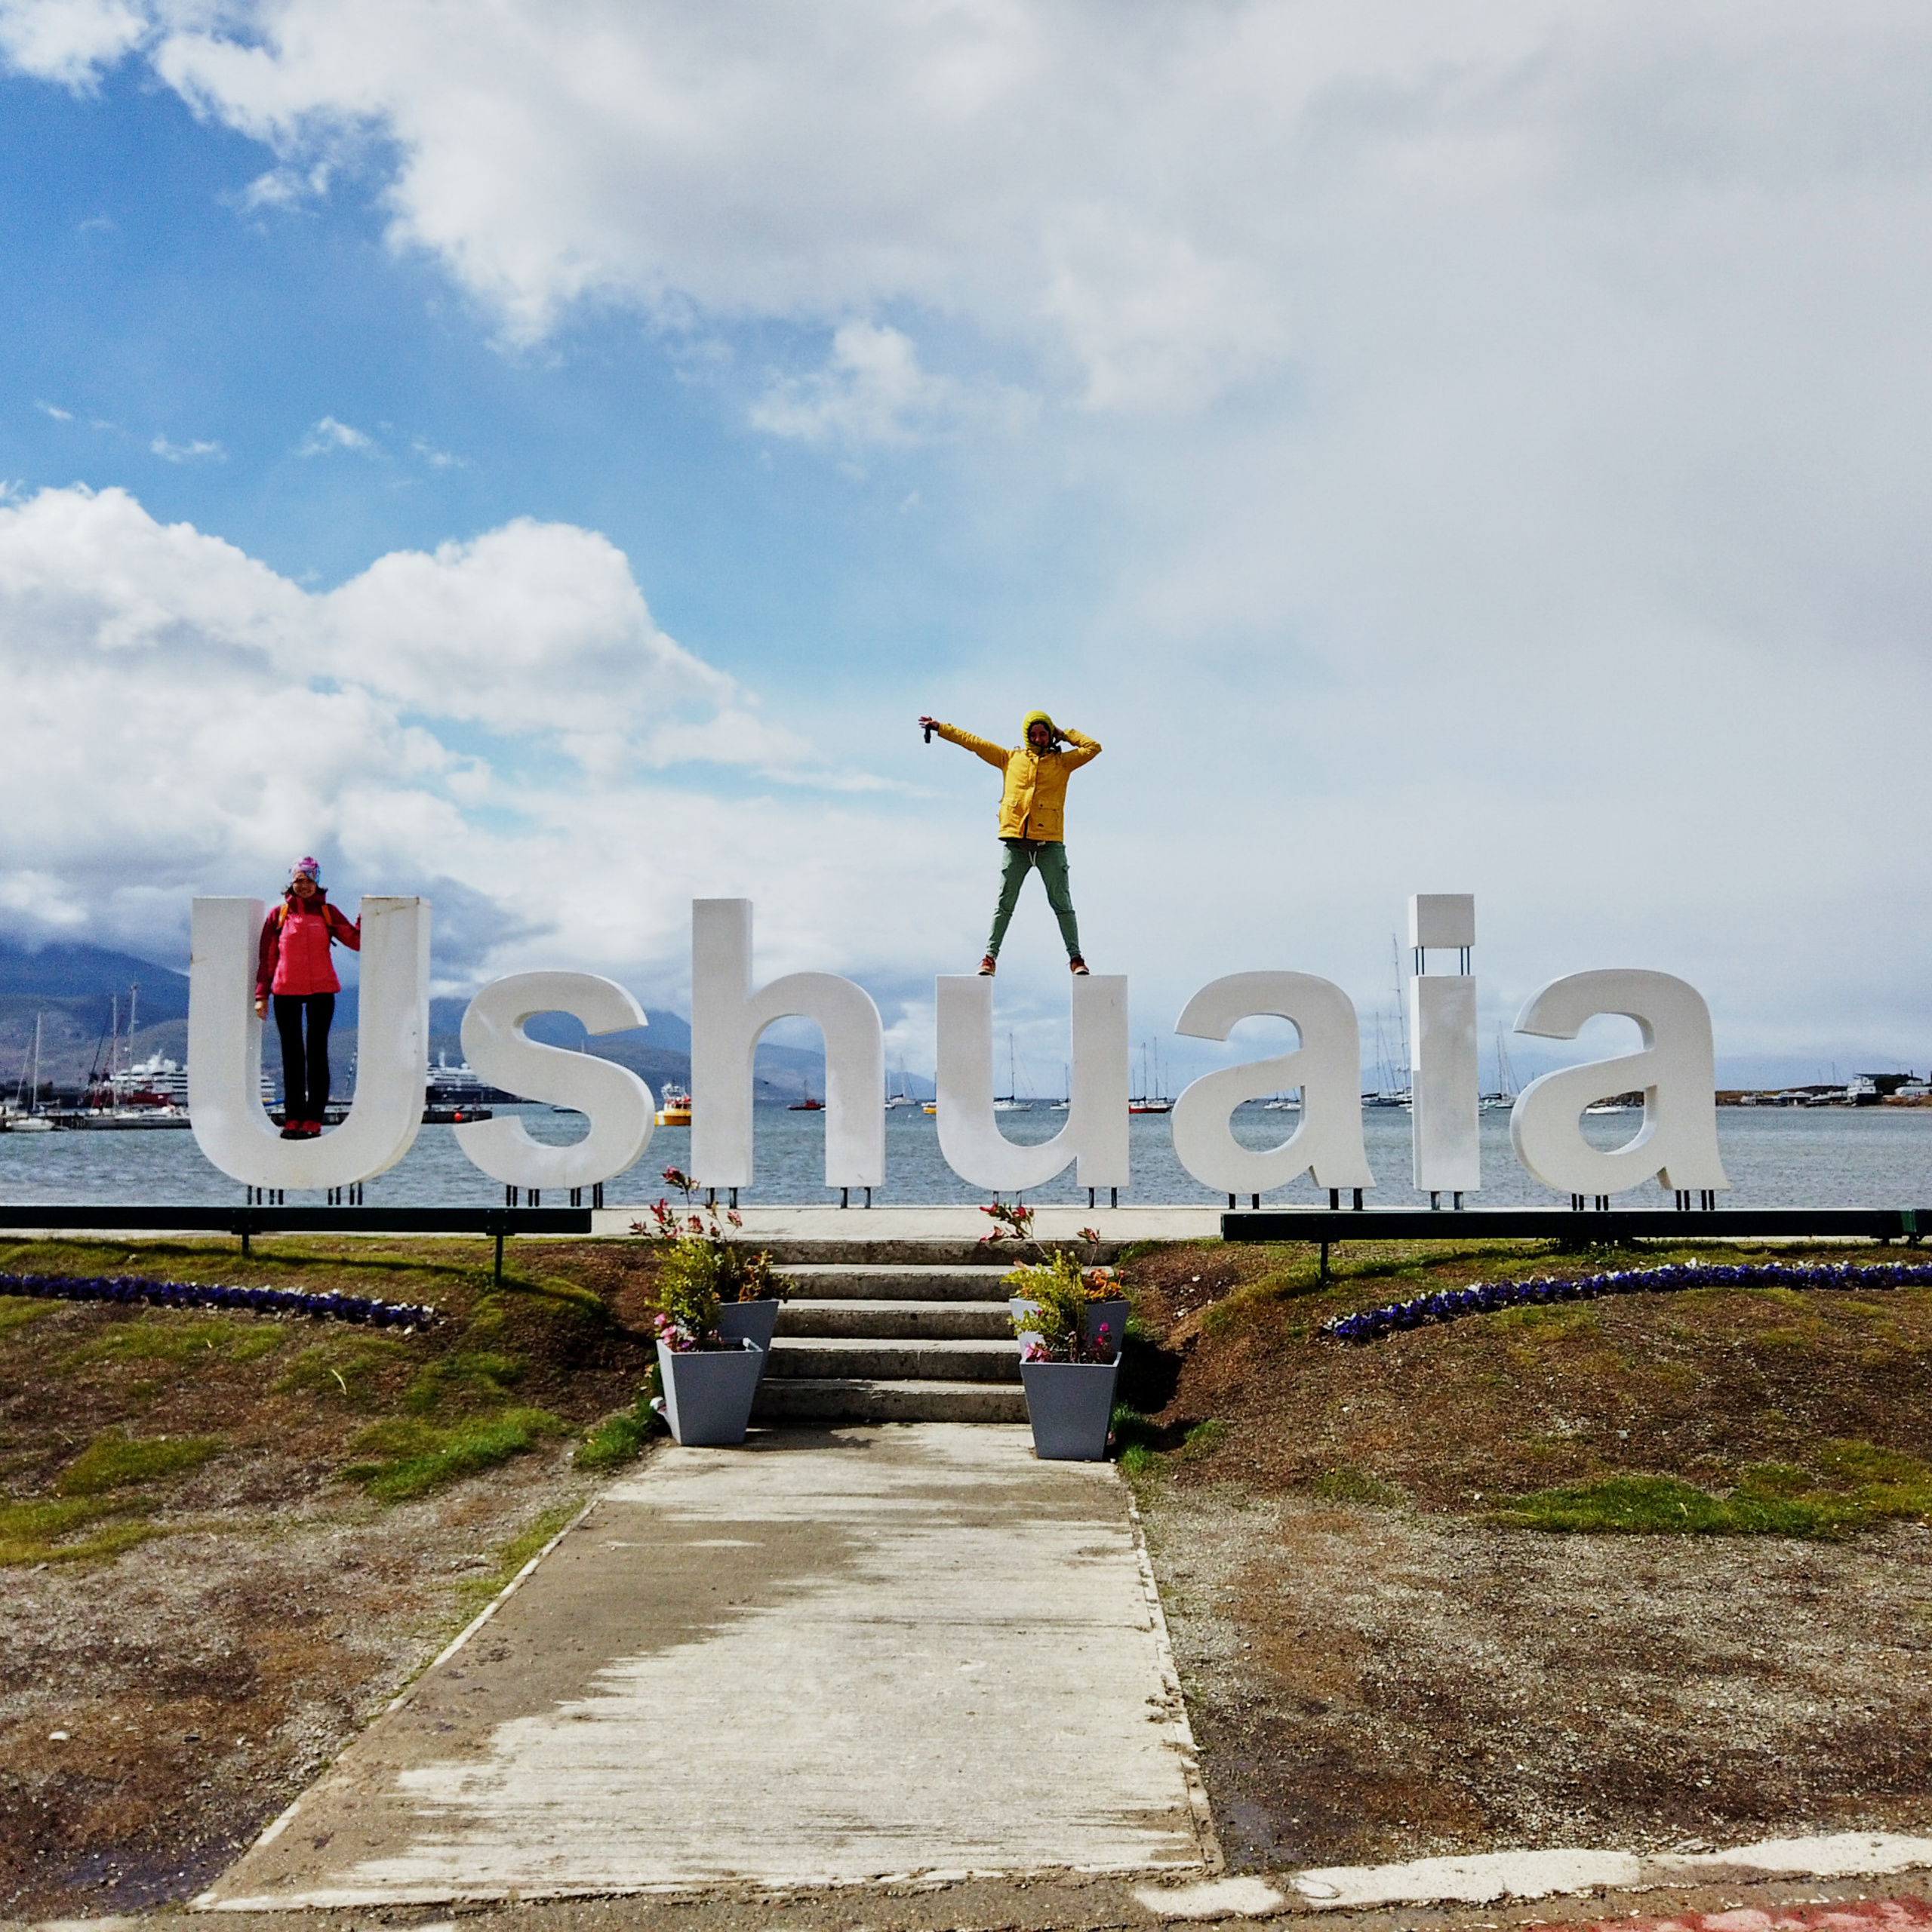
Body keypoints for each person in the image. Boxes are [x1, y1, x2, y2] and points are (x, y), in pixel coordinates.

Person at [919, 709, 1100, 975]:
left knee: (1062, 904)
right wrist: (941, 728)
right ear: (1027, 736)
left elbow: (1093, 747)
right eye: (1034, 734)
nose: (1039, 738)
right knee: (1005, 903)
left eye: (1044, 733)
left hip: (1049, 846)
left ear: (1050, 735)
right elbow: (974, 743)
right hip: (1015, 846)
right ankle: (989, 958)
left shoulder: (1062, 763)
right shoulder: (1010, 759)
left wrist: (1065, 734)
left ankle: (1076, 959)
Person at [254, 858, 360, 1140]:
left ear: (317, 883)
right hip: (285, 991)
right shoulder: (278, 915)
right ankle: (293, 1119)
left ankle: (314, 1119)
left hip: (322, 991)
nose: (303, 886)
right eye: (299, 881)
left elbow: (357, 941)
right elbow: (266, 958)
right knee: (292, 1057)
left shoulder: (328, 912)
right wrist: (261, 995)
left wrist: (366, 918)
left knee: (317, 1054)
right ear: (292, 883)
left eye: (309, 881)